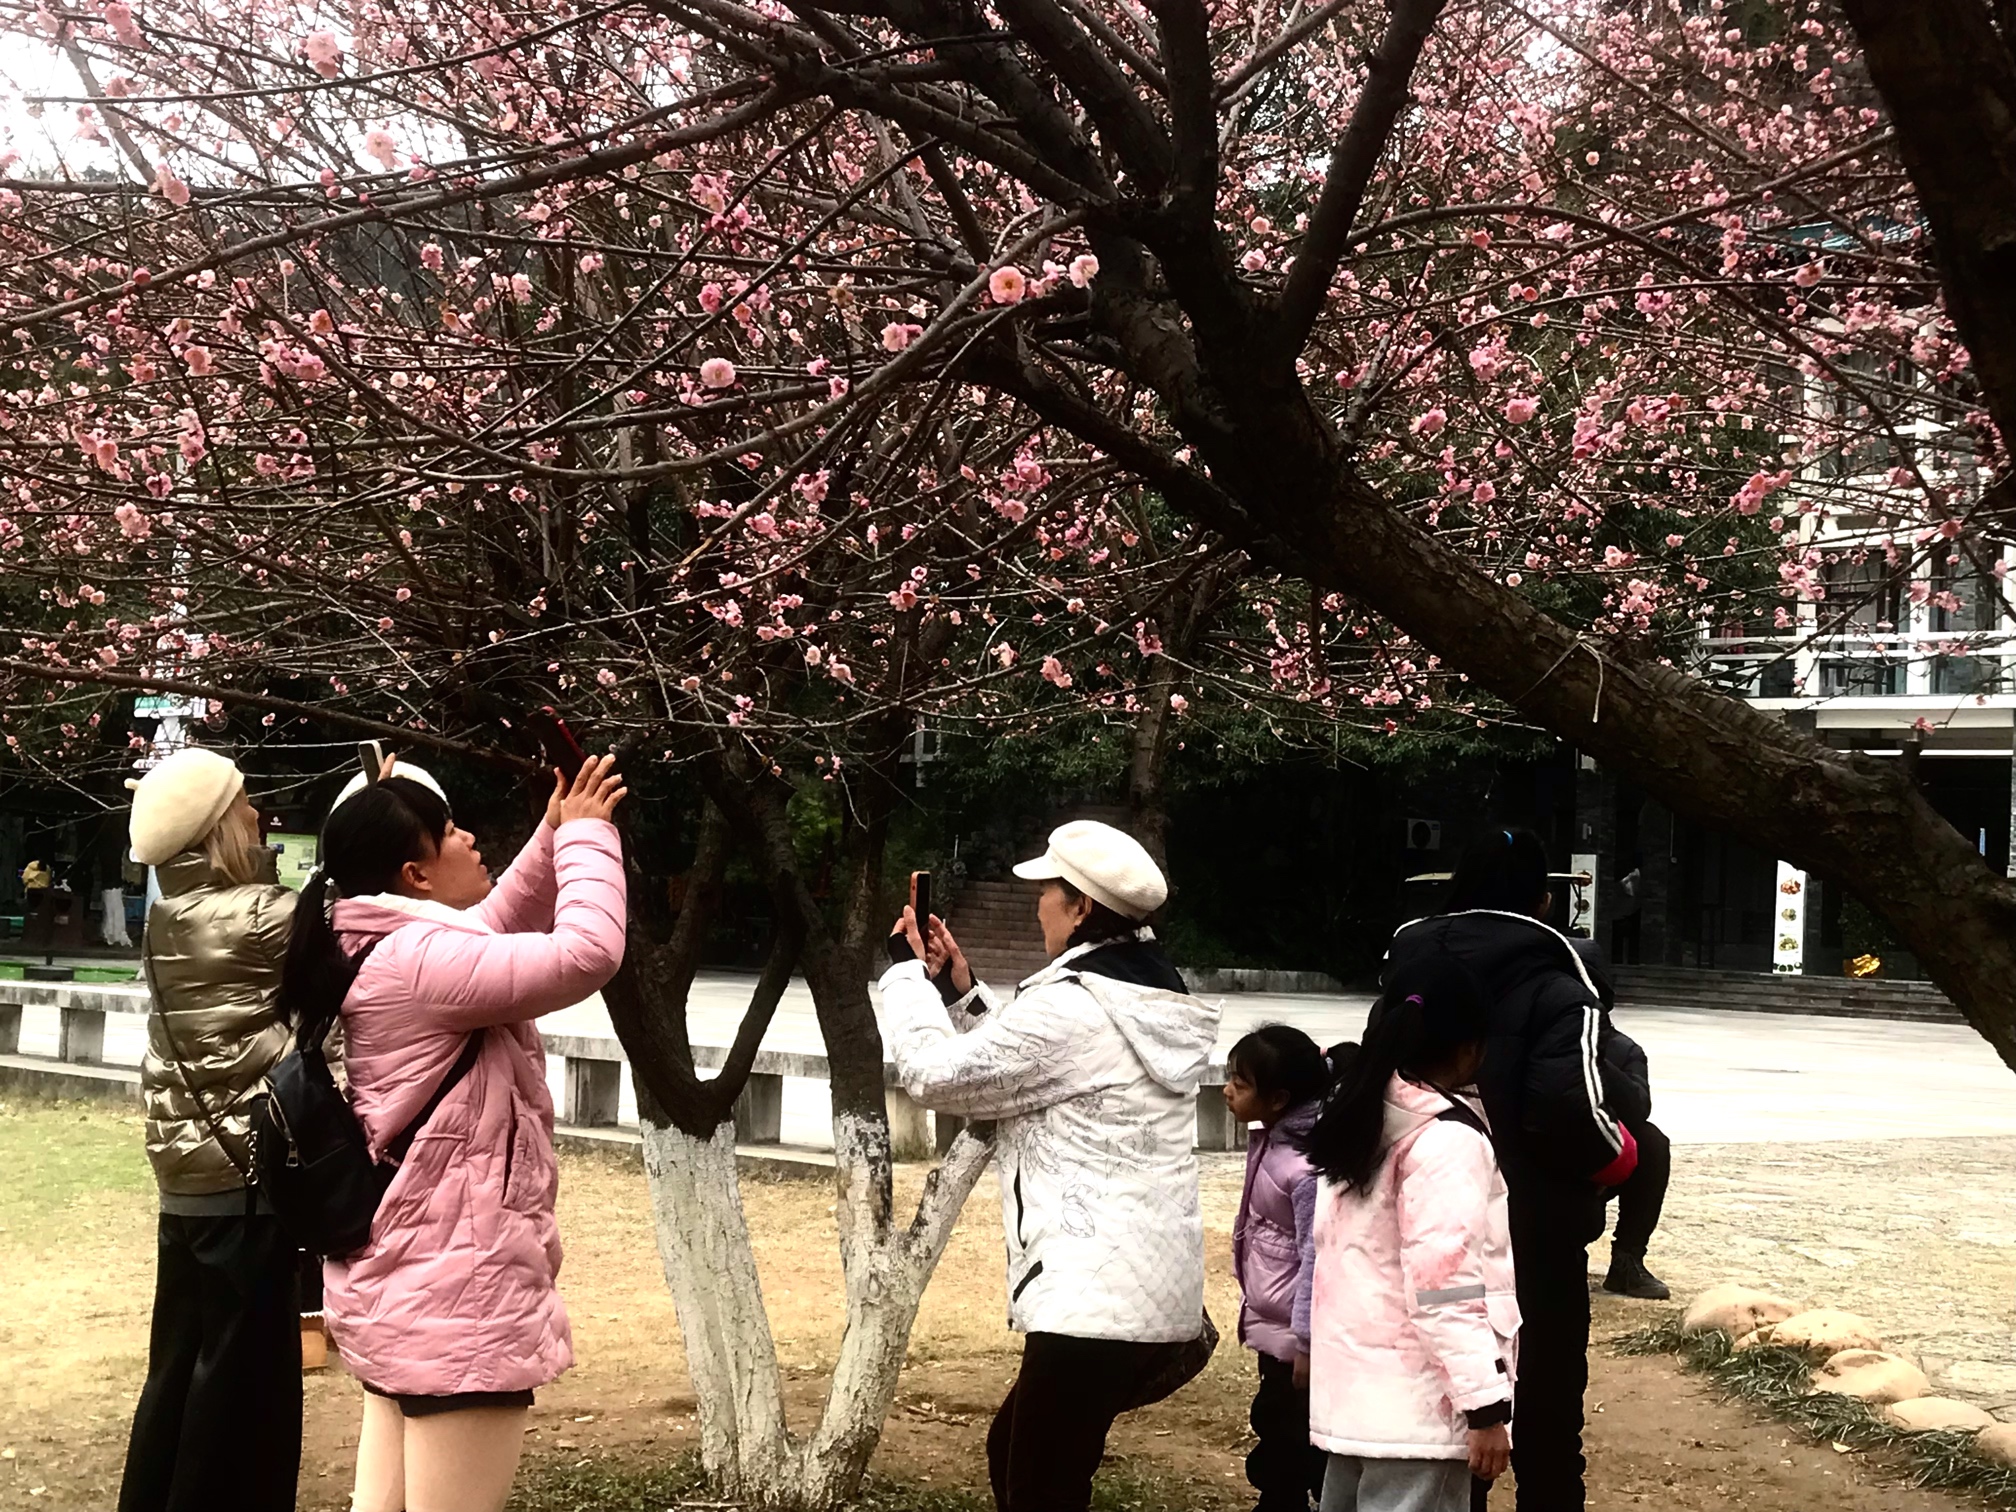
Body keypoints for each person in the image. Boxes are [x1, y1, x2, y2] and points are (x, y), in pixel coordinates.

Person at [285, 755, 628, 1512]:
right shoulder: (422, 961)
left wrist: (554, 831)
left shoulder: (384, 943)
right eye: (448, 831)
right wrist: (588, 837)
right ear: (415, 874)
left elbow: (491, 926)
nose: (469, 838)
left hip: (414, 1280)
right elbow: (587, 954)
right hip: (459, 1292)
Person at [878, 820, 1221, 1512]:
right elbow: (1031, 1072)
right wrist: (961, 992)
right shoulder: (1145, 989)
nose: (1037, 906)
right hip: (1138, 1287)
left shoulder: (1073, 1006)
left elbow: (935, 1076)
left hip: (1091, 1301)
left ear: (1082, 907)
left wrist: (905, 977)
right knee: (1020, 1453)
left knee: (1039, 1484)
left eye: (1047, 892)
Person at [1384, 829, 1645, 1512]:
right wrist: (1606, 1170)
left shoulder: (1408, 972)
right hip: (1537, 1225)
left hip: (1423, 1215)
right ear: (1543, 900)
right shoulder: (1558, 984)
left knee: (1448, 1408)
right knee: (1549, 1417)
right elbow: (1569, 1109)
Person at [118, 747, 302, 1512]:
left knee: (178, 1377)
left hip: (188, 1182)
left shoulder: (166, 917)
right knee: (247, 1401)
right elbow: (367, 934)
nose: (258, 815)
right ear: (217, 825)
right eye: (245, 802)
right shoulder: (261, 915)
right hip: (246, 1183)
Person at [1301, 953, 1517, 1512]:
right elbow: (1445, 1290)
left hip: (1354, 1408)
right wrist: (1484, 1406)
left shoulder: (1360, 1117)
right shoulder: (1447, 1140)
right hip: (1421, 1415)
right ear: (1471, 1047)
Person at [1226, 1025, 1331, 1512]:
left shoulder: (1304, 1168)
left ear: (1278, 1099)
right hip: (1275, 1325)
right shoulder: (1271, 1140)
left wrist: (1306, 1341)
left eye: (1240, 1083)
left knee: (1293, 1438)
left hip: (1296, 1336)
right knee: (1275, 1424)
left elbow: (1316, 1256)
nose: (1227, 1091)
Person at [1563, 938, 1670, 1303]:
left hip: (1596, 1160)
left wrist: (1592, 1057)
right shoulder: (1523, 1037)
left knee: (1652, 1141)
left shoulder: (1623, 1049)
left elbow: (1639, 1108)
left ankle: (1628, 1260)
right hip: (1536, 1162)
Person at [1609, 857, 1642, 966]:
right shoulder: (1626, 881)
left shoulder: (1632, 879)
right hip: (1623, 912)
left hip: (1626, 911)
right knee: (1619, 938)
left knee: (1626, 938)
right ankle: (1620, 959)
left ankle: (1627, 960)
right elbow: (1628, 890)